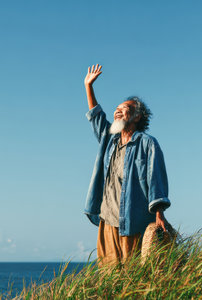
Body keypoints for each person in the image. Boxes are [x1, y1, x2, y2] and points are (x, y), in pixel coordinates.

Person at [83, 64, 171, 268]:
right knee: (109, 275)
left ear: (137, 117)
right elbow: (96, 117)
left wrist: (159, 213)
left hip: (134, 221)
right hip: (107, 220)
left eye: (124, 109)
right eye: (117, 109)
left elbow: (155, 178)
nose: (117, 111)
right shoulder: (109, 140)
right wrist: (88, 86)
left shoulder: (147, 143)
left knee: (133, 274)